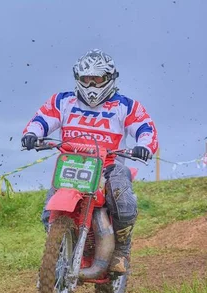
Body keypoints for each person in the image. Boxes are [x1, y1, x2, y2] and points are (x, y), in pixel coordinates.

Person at [21, 49, 158, 274]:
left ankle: (121, 251)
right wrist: (32, 134)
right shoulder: (63, 101)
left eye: (97, 79)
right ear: (78, 79)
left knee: (121, 202)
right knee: (48, 212)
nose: (92, 85)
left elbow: (146, 128)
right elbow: (42, 119)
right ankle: (62, 248)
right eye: (86, 79)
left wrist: (144, 146)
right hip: (72, 163)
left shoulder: (126, 106)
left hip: (110, 165)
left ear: (110, 79)